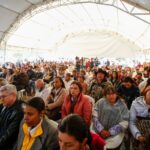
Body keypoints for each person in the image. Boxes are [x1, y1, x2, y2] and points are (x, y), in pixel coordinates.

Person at [92, 85, 129, 150]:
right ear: (105, 95)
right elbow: (94, 116)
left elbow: (125, 121)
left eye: (113, 94)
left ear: (116, 94)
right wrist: (101, 130)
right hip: (98, 131)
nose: (111, 96)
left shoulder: (122, 105)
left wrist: (110, 132)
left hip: (115, 135)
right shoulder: (101, 102)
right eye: (108, 94)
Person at [0, 84, 23, 150]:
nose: (1, 100)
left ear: (13, 95)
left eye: (3, 96)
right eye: (0, 97)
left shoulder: (19, 111)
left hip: (10, 144)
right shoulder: (6, 105)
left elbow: (9, 136)